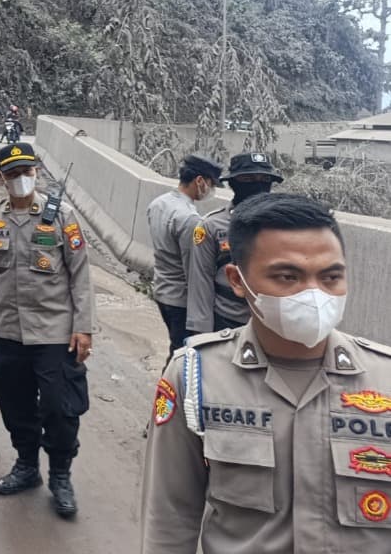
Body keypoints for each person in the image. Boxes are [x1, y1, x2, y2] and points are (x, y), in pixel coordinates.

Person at [141, 193, 391, 552]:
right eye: (288, 277)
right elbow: (169, 518)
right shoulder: (196, 377)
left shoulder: (385, 378)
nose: (314, 295)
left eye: (331, 276)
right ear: (237, 280)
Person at [0, 143, 95, 518]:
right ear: (0, 178)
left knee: (59, 407)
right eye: (12, 174)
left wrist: (83, 328)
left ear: (37, 172)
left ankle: (60, 474)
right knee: (13, 400)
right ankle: (26, 465)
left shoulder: (61, 217)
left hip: (55, 331)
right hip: (10, 330)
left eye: (27, 171)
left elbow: (81, 276)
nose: (21, 179)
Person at [186, 152, 284, 335]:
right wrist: (201, 334)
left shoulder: (285, 225)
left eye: (264, 179)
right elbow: (201, 281)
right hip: (227, 322)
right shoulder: (211, 226)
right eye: (248, 179)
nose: (257, 184)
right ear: (233, 183)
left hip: (272, 323)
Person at [145, 154, 222, 357]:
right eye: (211, 184)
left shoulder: (158, 204)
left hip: (162, 290)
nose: (211, 190)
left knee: (175, 347)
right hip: (181, 300)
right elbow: (194, 269)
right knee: (183, 357)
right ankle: (169, 387)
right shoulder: (189, 219)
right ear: (199, 181)